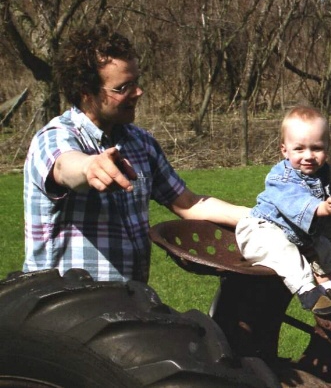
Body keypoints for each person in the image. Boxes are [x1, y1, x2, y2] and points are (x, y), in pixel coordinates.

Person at [23, 24, 249, 283]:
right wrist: (90, 167)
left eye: (136, 82)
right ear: (86, 93)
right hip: (61, 301)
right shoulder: (54, 137)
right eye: (123, 88)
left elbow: (190, 204)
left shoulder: (141, 143)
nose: (138, 92)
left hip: (128, 300)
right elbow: (64, 166)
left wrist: (262, 218)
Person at [235, 106, 331, 315]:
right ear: (285, 150)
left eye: (316, 148)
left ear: (327, 147)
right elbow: (293, 202)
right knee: (285, 252)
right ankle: (307, 291)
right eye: (299, 149)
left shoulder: (329, 174)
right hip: (263, 230)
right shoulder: (280, 176)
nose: (308, 156)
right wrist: (320, 207)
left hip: (301, 237)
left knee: (325, 249)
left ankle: (328, 296)